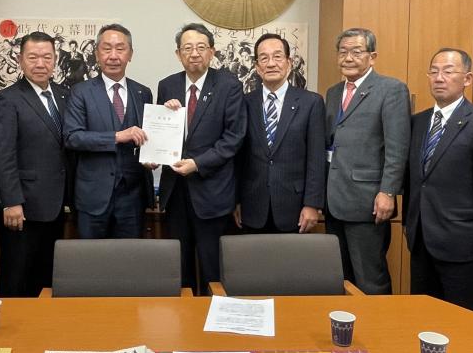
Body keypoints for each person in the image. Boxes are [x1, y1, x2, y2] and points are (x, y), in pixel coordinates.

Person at [405, 48, 473, 312]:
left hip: (461, 242)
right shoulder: (418, 121)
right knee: (422, 314)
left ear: (468, 79)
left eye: (448, 71)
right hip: (420, 239)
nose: (439, 78)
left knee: (461, 317)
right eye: (434, 71)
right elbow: (416, 179)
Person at [157, 23, 246, 293]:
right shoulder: (167, 85)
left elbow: (233, 138)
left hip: (212, 192)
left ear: (212, 52)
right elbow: (161, 133)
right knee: (177, 266)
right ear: (178, 54)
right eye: (187, 48)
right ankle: (181, 325)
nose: (194, 53)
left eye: (200, 47)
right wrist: (163, 124)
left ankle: (213, 327)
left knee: (211, 268)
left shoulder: (229, 85)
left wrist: (198, 163)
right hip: (176, 194)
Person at [324, 27, 410, 294]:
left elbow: (397, 147)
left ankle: (379, 333)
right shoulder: (334, 92)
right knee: (340, 277)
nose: (348, 58)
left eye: (356, 52)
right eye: (343, 51)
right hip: (334, 199)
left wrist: (387, 192)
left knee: (370, 278)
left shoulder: (391, 89)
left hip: (368, 200)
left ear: (372, 56)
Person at [0, 31, 72, 297]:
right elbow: (2, 154)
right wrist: (11, 201)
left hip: (56, 204)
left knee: (47, 277)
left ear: (55, 59)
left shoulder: (64, 95)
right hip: (22, 207)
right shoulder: (8, 98)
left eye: (47, 57)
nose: (40, 63)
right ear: (20, 60)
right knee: (17, 277)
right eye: (33, 57)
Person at [64, 24, 154, 239]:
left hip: (132, 197)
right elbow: (72, 137)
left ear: (130, 54)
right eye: (106, 48)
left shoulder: (143, 92)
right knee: (92, 264)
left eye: (120, 48)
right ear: (97, 53)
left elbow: (148, 140)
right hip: (92, 197)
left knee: (129, 263)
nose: (113, 55)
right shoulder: (80, 92)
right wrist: (117, 136)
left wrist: (152, 157)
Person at [236, 33, 325, 233]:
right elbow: (238, 158)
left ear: (289, 63)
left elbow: (316, 159)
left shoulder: (311, 103)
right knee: (251, 264)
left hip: (295, 208)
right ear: (257, 67)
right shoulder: (244, 103)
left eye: (277, 56)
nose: (271, 63)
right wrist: (236, 200)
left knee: (290, 264)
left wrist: (312, 204)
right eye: (264, 58)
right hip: (252, 207)